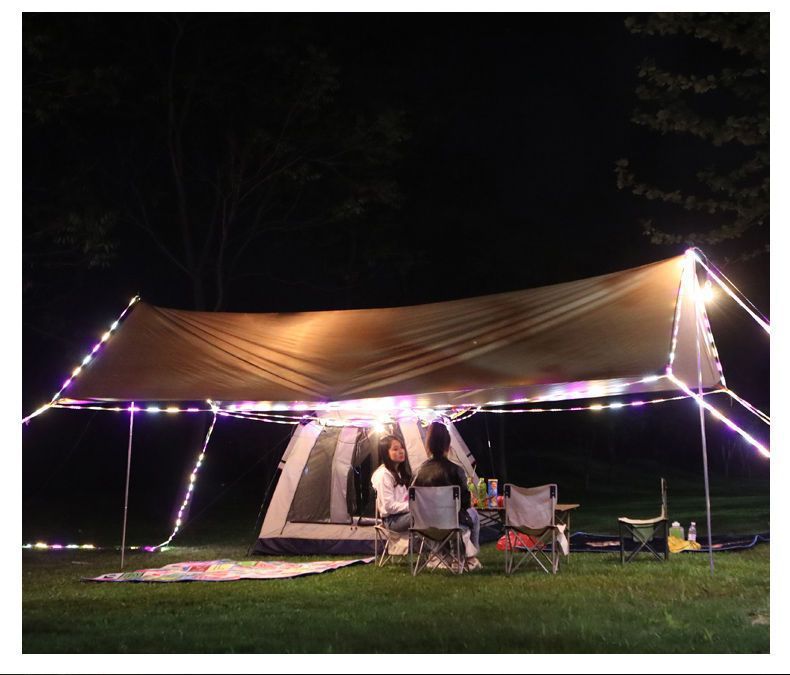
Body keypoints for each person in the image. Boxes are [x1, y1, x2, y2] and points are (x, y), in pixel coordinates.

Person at [412, 421, 482, 571]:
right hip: (452, 523)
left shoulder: (419, 472)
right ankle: (469, 558)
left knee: (460, 519)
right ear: (448, 445)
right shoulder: (456, 470)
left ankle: (443, 556)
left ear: (428, 445)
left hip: (425, 526)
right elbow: (465, 503)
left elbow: (414, 502)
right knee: (474, 515)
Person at [370, 434, 412, 532]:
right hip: (392, 520)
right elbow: (389, 506)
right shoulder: (383, 475)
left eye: (402, 448)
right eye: (395, 449)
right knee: (424, 516)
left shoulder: (400, 472)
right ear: (386, 453)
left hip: (404, 514)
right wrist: (412, 506)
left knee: (429, 512)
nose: (401, 451)